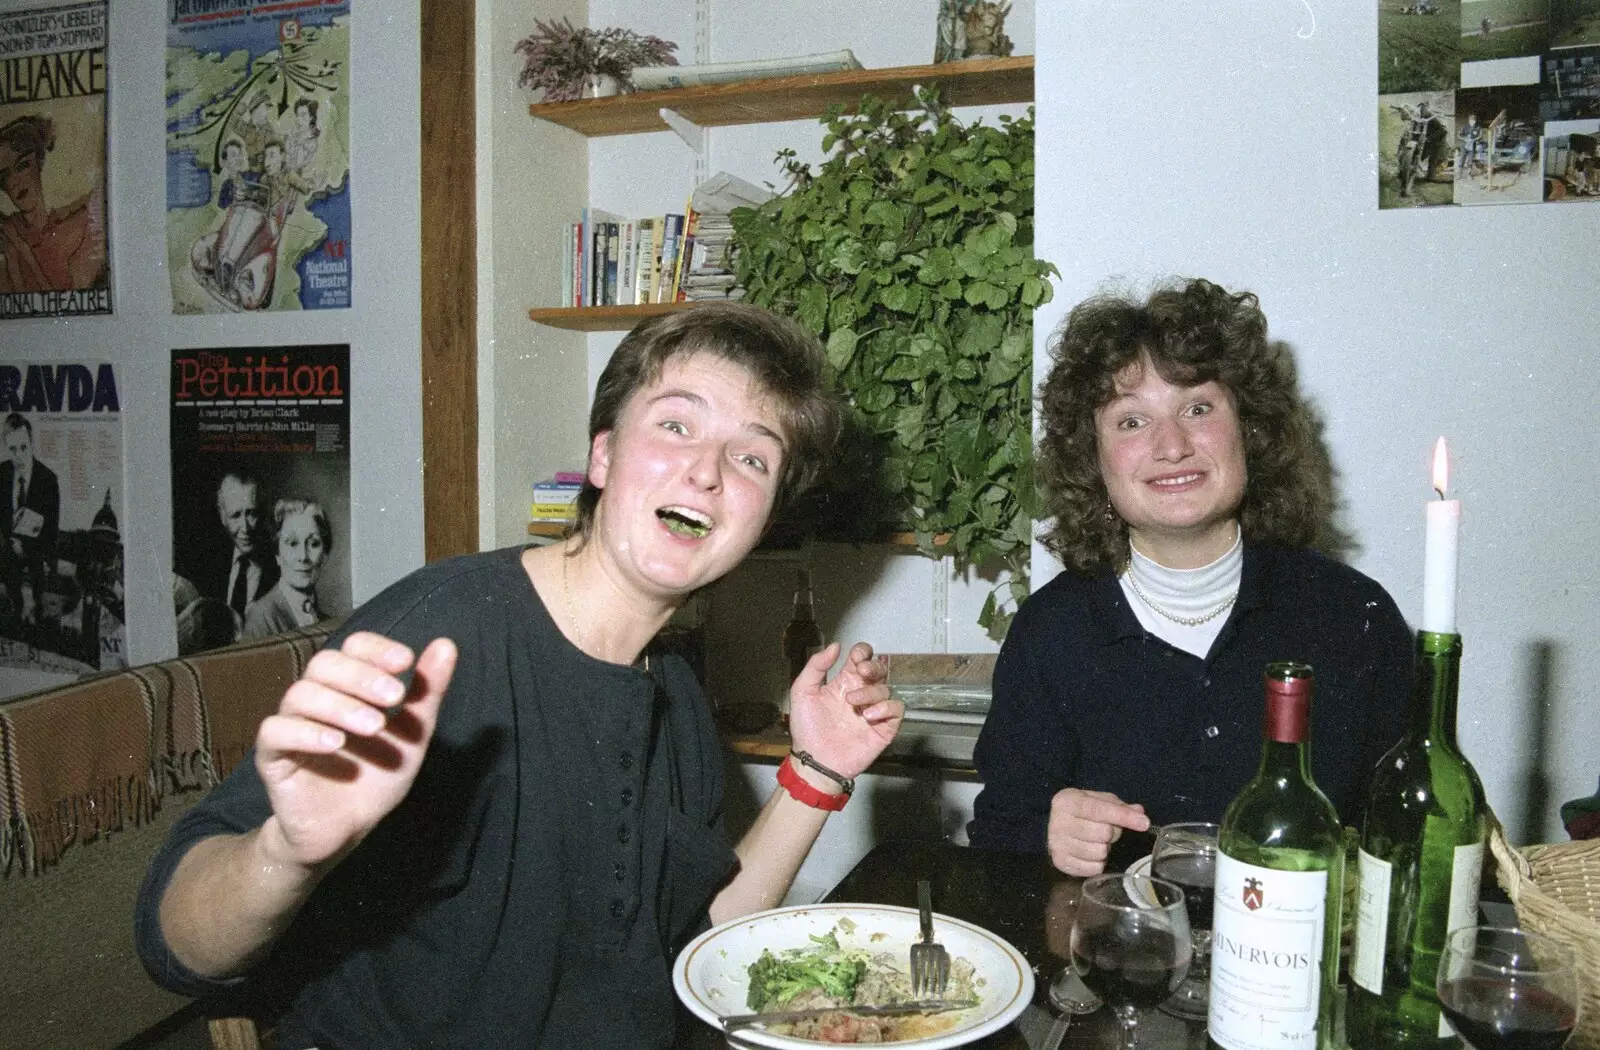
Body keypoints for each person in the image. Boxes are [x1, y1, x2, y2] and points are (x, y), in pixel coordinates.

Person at [135, 303, 904, 1048]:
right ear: (602, 454)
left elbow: (695, 939)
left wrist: (819, 771)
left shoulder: (669, 687)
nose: (707, 471)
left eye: (751, 458)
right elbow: (173, 939)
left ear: (763, 519)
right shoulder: (443, 636)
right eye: (676, 424)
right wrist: (285, 854)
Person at [967, 278, 1411, 876]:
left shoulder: (1356, 618)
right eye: (1130, 422)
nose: (1171, 446)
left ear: (1249, 429)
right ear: (1091, 459)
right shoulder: (1050, 634)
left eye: (1197, 408)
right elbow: (997, 835)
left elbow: (1402, 843)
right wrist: (1046, 833)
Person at [0, 113, 108, 295]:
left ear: (39, 161)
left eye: (22, 166)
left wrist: (22, 250)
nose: (14, 182)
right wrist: (13, 256)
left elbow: (64, 310)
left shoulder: (77, 227)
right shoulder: (6, 233)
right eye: (4, 177)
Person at [0, 412, 60, 629]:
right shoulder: (2, 474)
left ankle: (34, 619)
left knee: (37, 620)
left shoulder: (48, 480)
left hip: (36, 554)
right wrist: (8, 542)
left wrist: (25, 547)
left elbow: (51, 531)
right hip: (7, 556)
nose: (18, 457)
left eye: (24, 448)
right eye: (13, 449)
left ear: (32, 443)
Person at [241, 498, 331, 639]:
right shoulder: (261, 617)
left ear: (325, 555)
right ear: (277, 553)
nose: (303, 556)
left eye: (314, 543)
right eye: (293, 543)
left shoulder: (326, 620)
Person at [209, 471, 279, 629]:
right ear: (222, 516)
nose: (245, 528)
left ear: (263, 512)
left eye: (251, 513)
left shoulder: (284, 564)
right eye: (235, 516)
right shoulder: (209, 562)